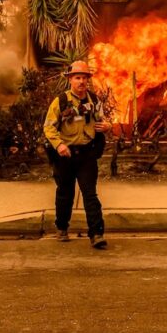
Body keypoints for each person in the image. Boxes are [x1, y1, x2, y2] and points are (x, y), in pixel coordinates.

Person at [43, 61, 112, 249]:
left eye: (84, 78)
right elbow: (49, 127)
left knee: (90, 194)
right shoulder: (61, 101)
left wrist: (107, 126)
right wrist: (59, 146)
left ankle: (96, 234)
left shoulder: (94, 101)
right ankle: (62, 228)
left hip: (87, 155)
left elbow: (102, 121)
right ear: (70, 80)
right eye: (77, 77)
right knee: (65, 193)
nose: (81, 81)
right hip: (65, 156)